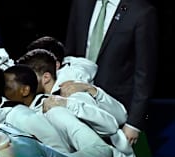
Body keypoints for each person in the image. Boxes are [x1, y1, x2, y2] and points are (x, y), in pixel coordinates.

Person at [65, 0, 158, 146]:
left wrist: (134, 123)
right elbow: (70, 52)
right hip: (77, 102)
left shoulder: (141, 12)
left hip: (115, 110)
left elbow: (144, 72)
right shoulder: (81, 4)